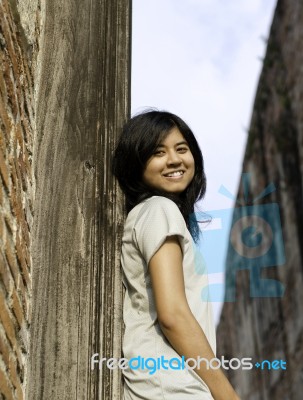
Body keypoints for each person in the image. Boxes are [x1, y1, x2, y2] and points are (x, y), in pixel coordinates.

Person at [112, 110, 240, 400]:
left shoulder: (152, 214)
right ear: (136, 164)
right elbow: (173, 315)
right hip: (171, 388)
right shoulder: (160, 210)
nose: (174, 159)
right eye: (158, 152)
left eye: (181, 149)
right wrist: (227, 395)